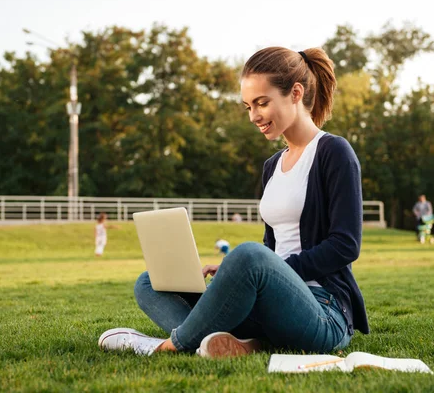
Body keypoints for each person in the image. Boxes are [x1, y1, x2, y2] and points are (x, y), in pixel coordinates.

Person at [98, 47, 369, 358]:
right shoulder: (272, 166)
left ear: (295, 93)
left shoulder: (333, 152)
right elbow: (272, 247)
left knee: (249, 255)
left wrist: (268, 268)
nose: (254, 116)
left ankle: (169, 345)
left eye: (262, 103)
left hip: (323, 312)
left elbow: (345, 245)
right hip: (272, 306)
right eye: (248, 107)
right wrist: (235, 273)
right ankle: (242, 343)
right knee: (150, 283)